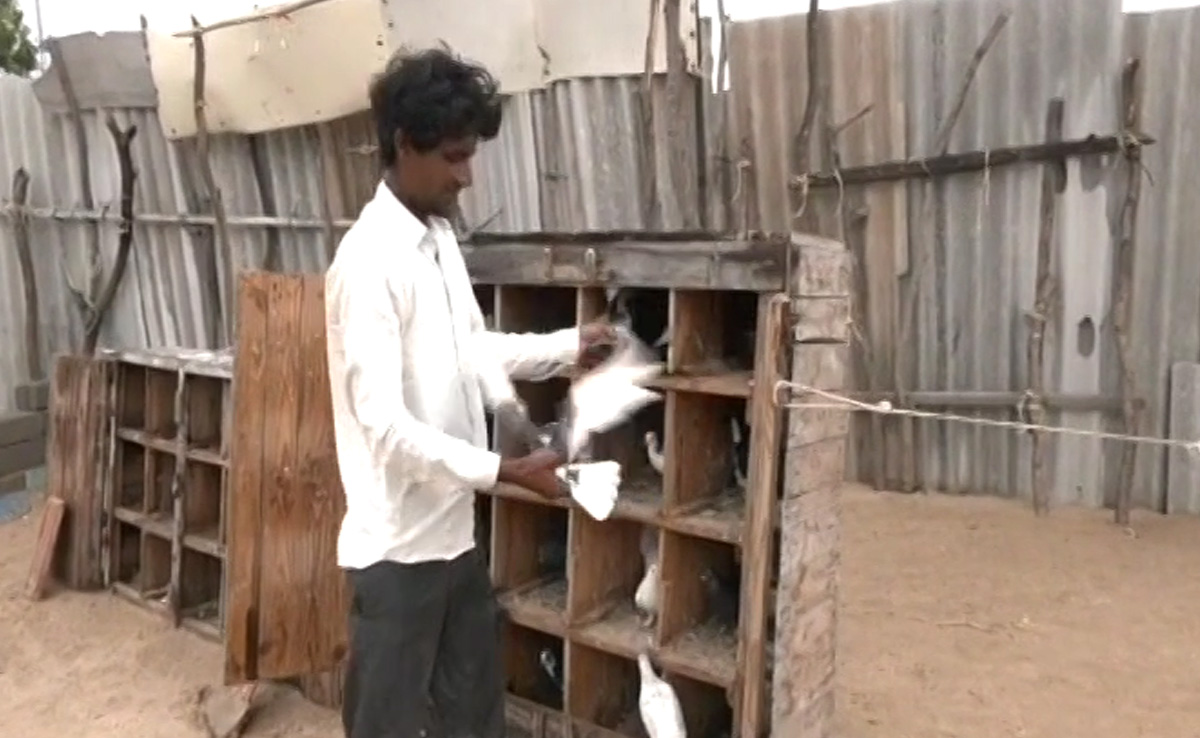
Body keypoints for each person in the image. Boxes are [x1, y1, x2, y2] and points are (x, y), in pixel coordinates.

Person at [324, 47, 614, 738]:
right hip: (396, 559)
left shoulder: (440, 238)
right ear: (403, 144)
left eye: (470, 155)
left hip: (454, 542)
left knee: (473, 721)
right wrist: (503, 473)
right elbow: (384, 428)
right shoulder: (367, 266)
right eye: (454, 156)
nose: (467, 175)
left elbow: (473, 352)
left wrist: (569, 346)